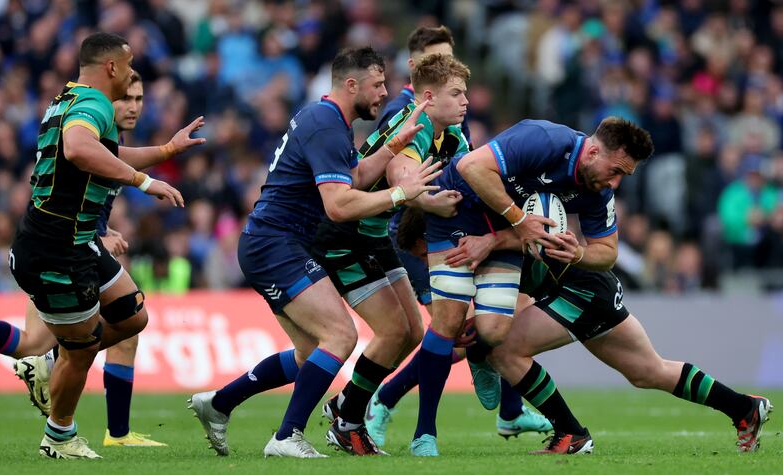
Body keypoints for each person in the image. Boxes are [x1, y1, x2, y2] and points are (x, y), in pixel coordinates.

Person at [188, 46, 440, 459]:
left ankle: (219, 403)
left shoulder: (329, 120)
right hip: (275, 244)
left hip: (277, 243)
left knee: (310, 353)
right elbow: (339, 205)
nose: (384, 93)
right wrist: (400, 194)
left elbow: (355, 176)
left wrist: (393, 146)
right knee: (340, 335)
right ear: (351, 84)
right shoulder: (325, 124)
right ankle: (287, 436)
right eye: (377, 85)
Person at [404, 117, 654, 456]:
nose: (616, 182)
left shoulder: (598, 191)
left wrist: (578, 253)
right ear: (594, 152)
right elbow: (470, 166)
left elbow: (608, 254)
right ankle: (424, 434)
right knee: (448, 321)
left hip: (503, 229)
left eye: (624, 175)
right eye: (615, 171)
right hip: (458, 209)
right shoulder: (545, 140)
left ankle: (478, 358)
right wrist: (521, 220)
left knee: (493, 333)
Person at [432, 214, 773, 454]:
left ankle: (571, 435)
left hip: (580, 290)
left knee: (503, 349)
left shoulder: (489, 229)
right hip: (595, 286)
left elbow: (501, 321)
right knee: (649, 372)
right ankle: (744, 407)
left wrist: (436, 357)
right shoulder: (488, 229)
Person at [366, 25, 551, 448]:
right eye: (437, 60)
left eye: (451, 59)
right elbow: (400, 173)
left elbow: (469, 174)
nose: (447, 66)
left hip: (444, 226)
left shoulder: (452, 125)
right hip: (408, 234)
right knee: (453, 333)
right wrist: (427, 199)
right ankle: (384, 400)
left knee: (500, 315)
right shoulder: (406, 114)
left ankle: (508, 409)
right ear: (417, 70)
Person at [8, 32, 185, 459]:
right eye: (129, 65)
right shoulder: (96, 104)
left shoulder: (68, 98)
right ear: (112, 67)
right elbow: (77, 148)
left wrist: (166, 150)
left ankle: (48, 362)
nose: (131, 73)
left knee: (132, 315)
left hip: (77, 241)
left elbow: (105, 153)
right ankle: (59, 436)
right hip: (55, 249)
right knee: (83, 348)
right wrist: (143, 182)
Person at [312, 53, 469, 456]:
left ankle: (344, 403)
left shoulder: (453, 135)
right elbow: (401, 174)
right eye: (456, 93)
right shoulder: (414, 126)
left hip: (377, 234)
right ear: (429, 98)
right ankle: (347, 420)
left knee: (414, 332)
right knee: (393, 332)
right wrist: (428, 202)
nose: (466, 101)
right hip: (346, 235)